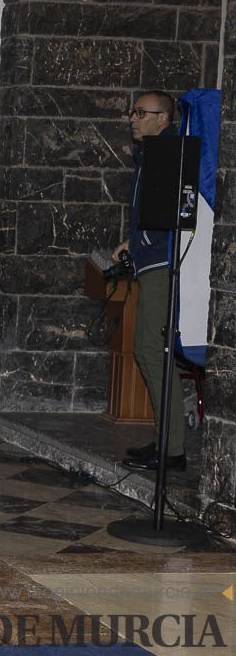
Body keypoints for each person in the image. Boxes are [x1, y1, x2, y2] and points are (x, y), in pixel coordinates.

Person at [114, 91, 187, 473]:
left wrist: (141, 245)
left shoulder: (167, 154)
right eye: (134, 111)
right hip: (150, 261)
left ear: (164, 118)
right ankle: (166, 440)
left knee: (152, 349)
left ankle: (173, 448)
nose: (134, 118)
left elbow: (171, 217)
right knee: (148, 350)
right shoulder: (150, 156)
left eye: (143, 112)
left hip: (161, 264)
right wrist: (133, 241)